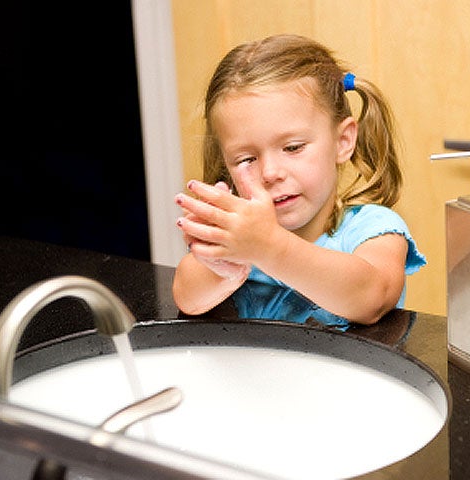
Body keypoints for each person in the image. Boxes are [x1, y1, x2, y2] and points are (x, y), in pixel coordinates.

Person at [172, 34, 425, 331]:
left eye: (292, 148)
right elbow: (187, 297)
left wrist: (268, 247)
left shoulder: (371, 229)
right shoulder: (242, 237)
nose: (270, 173)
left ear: (343, 141)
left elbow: (371, 297)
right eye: (246, 159)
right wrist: (224, 263)